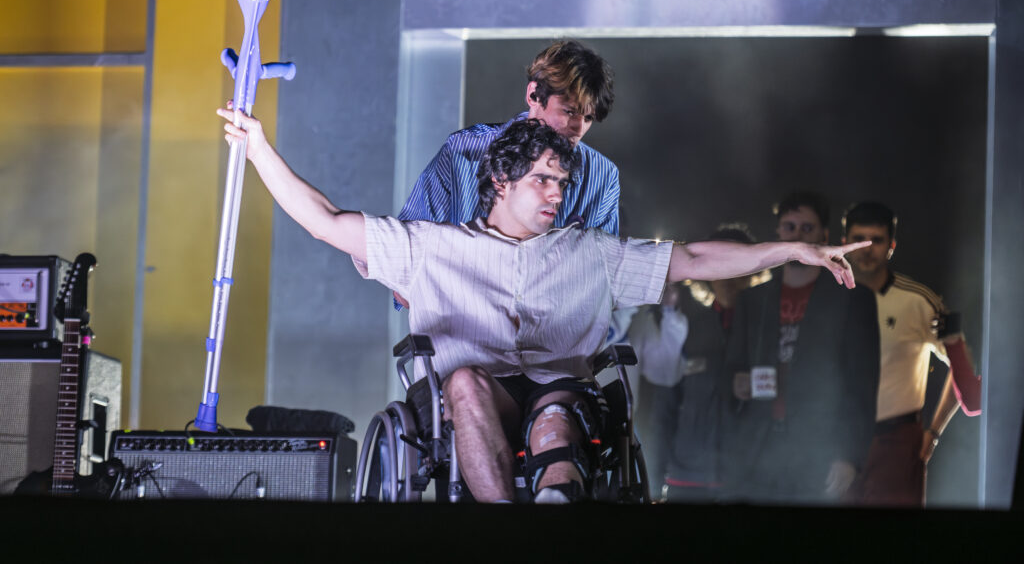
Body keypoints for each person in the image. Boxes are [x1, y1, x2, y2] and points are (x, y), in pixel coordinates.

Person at [218, 109, 869, 503]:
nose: (557, 193)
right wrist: (259, 150)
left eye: (562, 182)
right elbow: (327, 222)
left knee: (555, 416)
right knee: (465, 382)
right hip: (474, 393)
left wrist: (794, 252)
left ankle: (557, 505)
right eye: (543, 180)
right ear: (501, 180)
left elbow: (695, 259)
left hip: (561, 391)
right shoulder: (432, 246)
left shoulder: (589, 251)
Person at [723, 192, 880, 505]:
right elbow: (731, 367)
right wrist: (736, 383)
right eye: (789, 227)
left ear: (824, 236)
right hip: (756, 449)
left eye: (807, 228)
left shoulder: (852, 299)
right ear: (778, 233)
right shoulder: (753, 300)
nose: (797, 236)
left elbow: (862, 385)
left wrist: (849, 455)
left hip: (819, 447)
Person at [399, 38, 620, 233]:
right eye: (569, 112)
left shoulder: (602, 176)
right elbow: (411, 244)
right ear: (534, 95)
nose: (579, 129)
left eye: (588, 118)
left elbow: (603, 263)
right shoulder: (462, 152)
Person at [842, 201, 979, 507]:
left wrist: (934, 431)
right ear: (844, 243)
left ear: (891, 246)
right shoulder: (828, 299)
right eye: (858, 239)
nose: (866, 249)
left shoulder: (917, 300)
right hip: (835, 436)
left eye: (876, 240)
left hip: (897, 440)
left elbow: (962, 369)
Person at [630, 223, 766, 503]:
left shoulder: (766, 331)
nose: (728, 277)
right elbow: (663, 409)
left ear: (753, 271)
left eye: (737, 267)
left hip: (749, 477)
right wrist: (653, 481)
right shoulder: (685, 328)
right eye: (720, 266)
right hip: (687, 477)